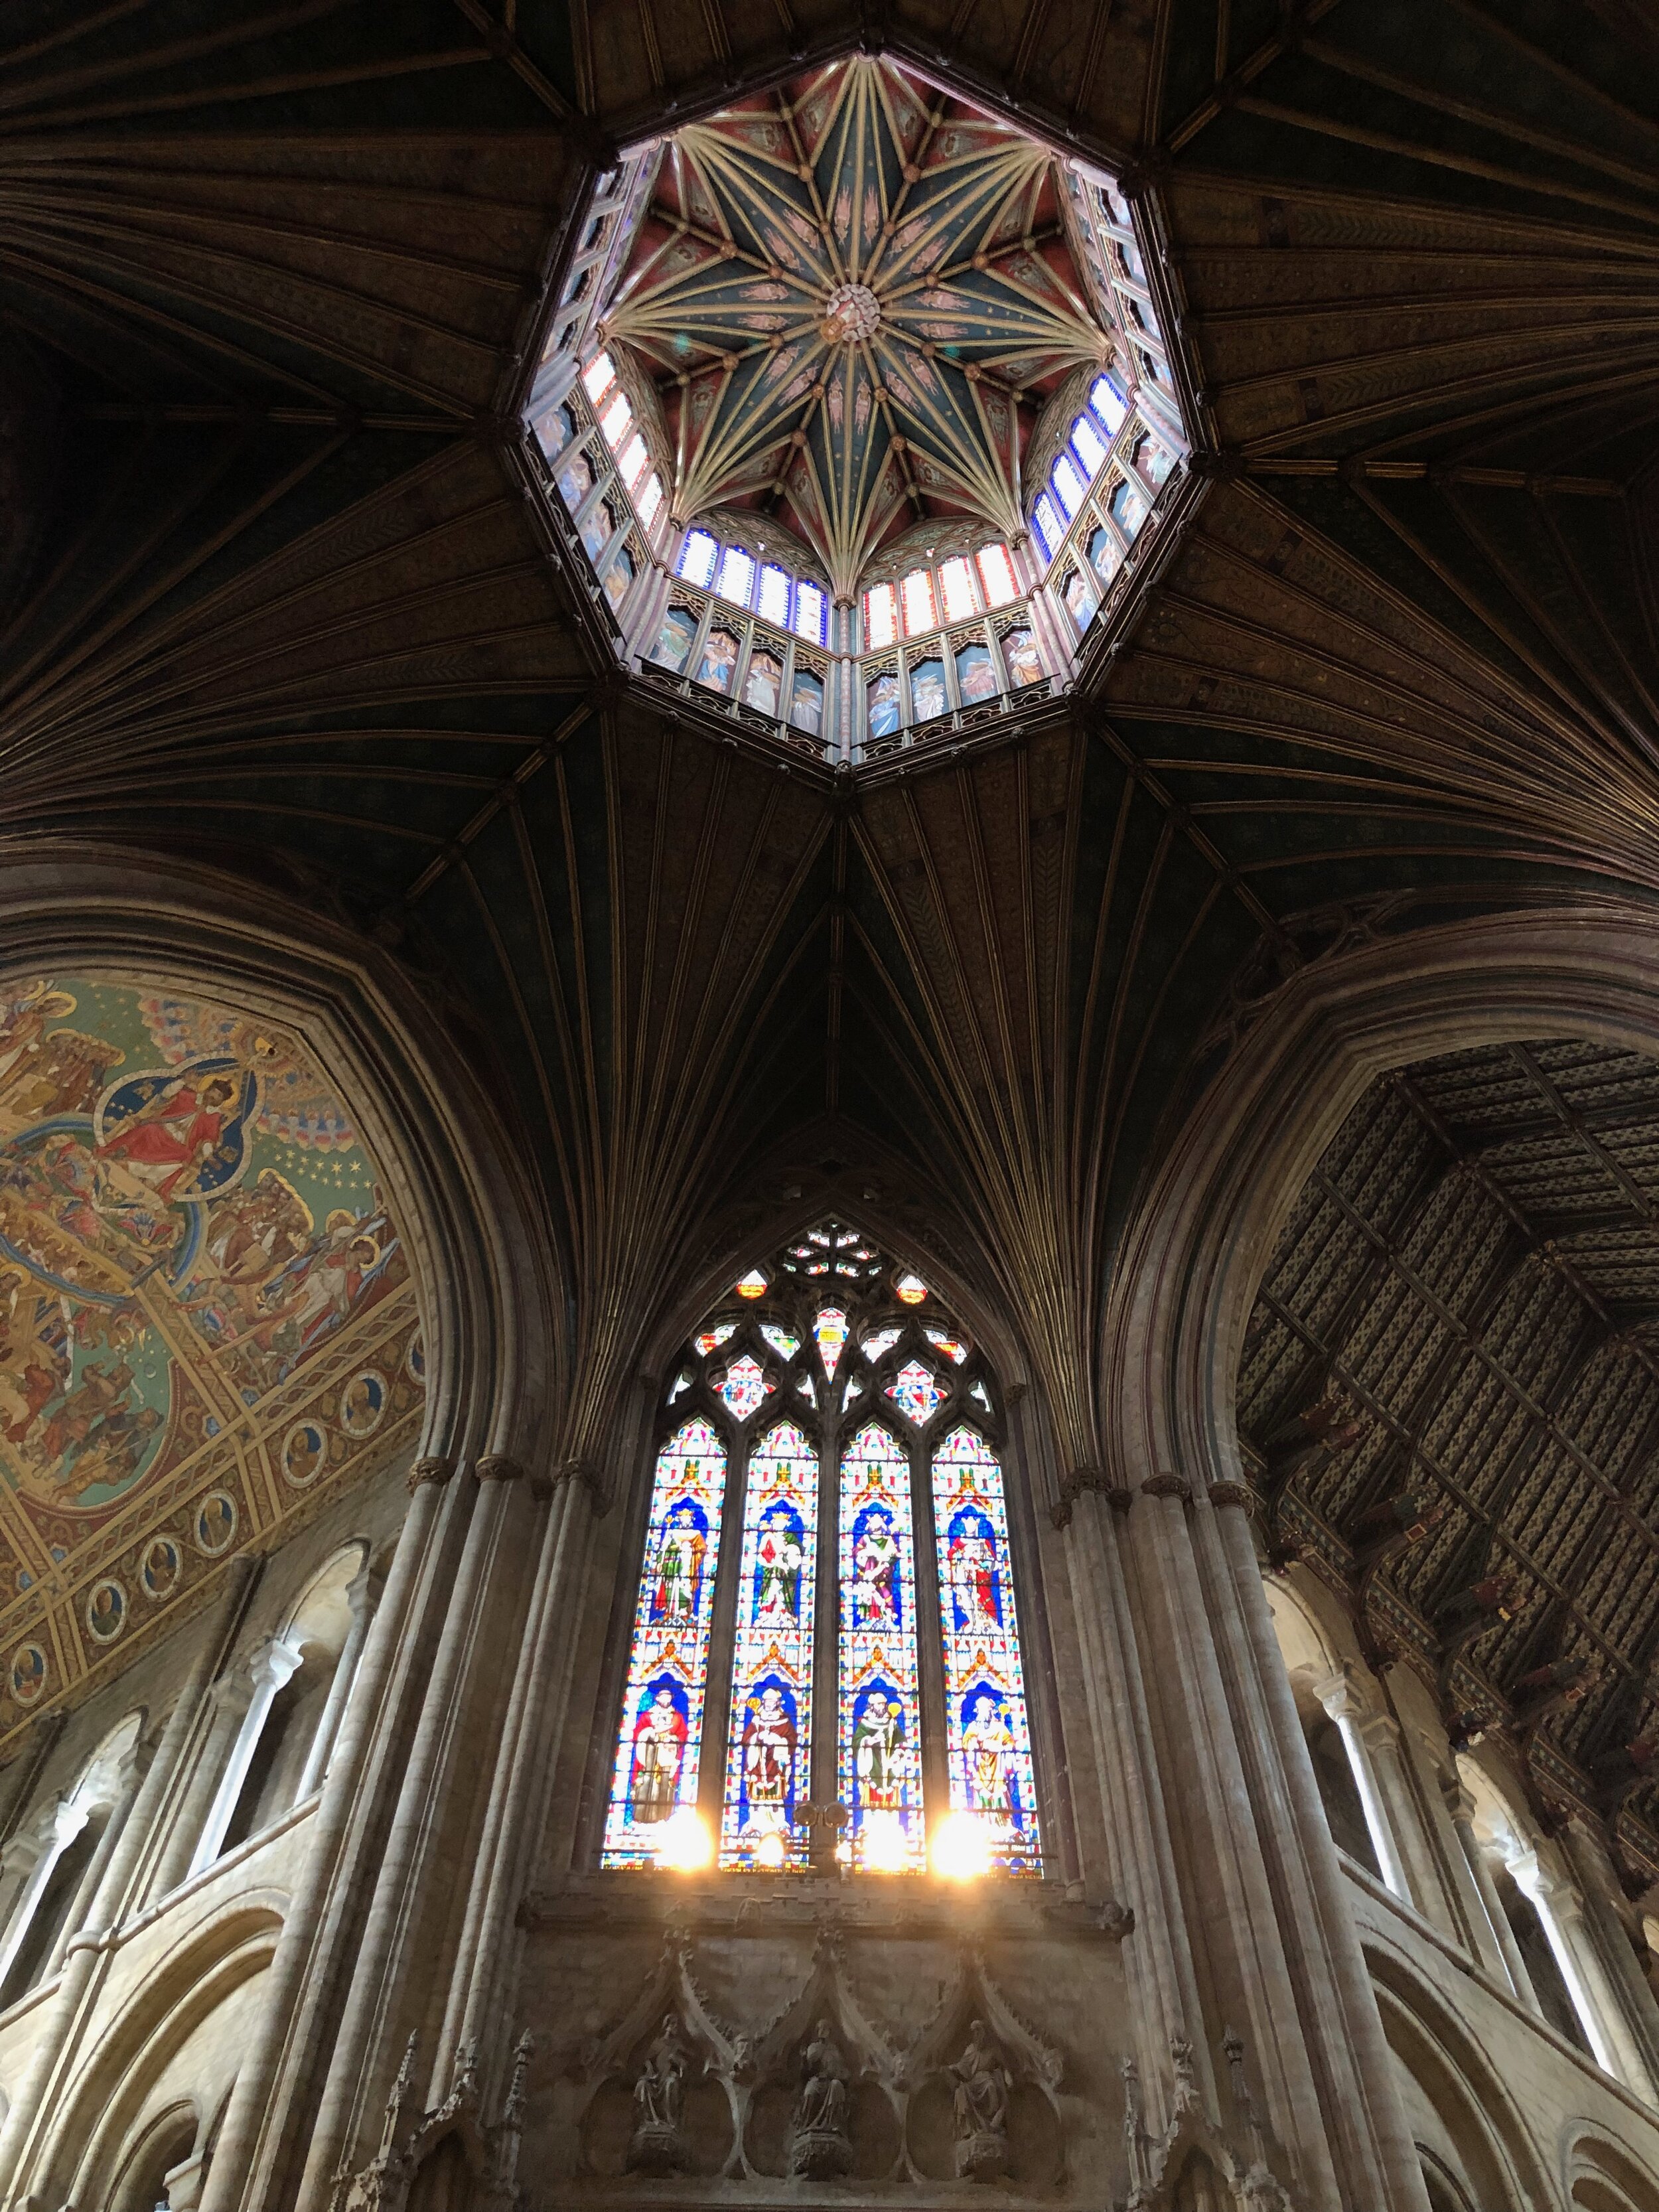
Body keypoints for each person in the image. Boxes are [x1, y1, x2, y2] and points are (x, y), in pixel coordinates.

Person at [630, 1686, 686, 1824]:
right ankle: (641, 1818)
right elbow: (638, 1733)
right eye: (663, 1697)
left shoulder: (677, 1717)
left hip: (667, 1757)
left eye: (669, 1697)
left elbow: (683, 1735)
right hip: (648, 1757)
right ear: (657, 1698)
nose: (666, 1699)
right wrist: (652, 1733)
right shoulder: (648, 1716)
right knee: (647, 1782)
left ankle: (664, 1817)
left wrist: (673, 1741)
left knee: (665, 1785)